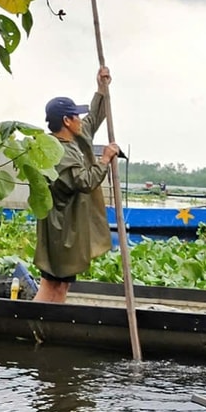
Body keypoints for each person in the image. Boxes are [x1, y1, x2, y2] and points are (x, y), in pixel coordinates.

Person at [34, 68, 121, 303]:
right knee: (53, 284)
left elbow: (94, 117)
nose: (81, 121)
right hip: (61, 228)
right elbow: (84, 181)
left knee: (60, 285)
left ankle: (47, 325)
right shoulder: (55, 151)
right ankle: (37, 324)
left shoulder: (75, 138)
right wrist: (104, 160)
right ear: (66, 121)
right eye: (76, 117)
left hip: (71, 224)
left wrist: (101, 88)